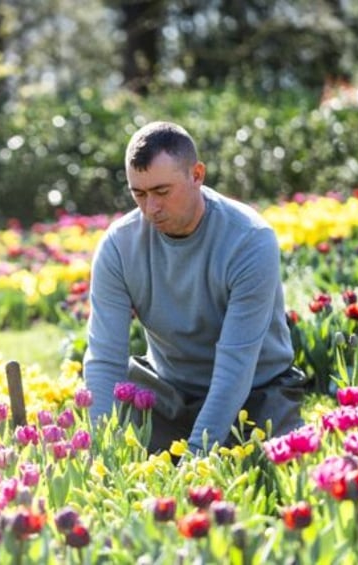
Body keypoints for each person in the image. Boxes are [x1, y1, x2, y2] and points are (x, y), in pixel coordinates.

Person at [83, 120, 305, 455]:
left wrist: (197, 455)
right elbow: (105, 359)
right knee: (117, 426)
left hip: (255, 391)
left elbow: (235, 366)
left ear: (197, 175)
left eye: (161, 192)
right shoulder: (118, 246)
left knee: (262, 461)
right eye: (138, 194)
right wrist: (102, 451)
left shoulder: (249, 240)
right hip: (169, 391)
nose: (150, 209)